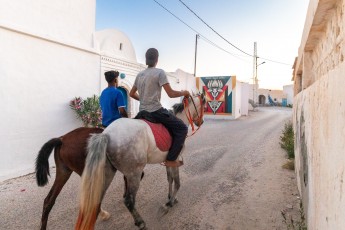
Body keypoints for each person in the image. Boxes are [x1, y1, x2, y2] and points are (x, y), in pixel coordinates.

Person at [129, 48, 190, 167]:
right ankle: (171, 159)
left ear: (146, 59)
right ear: (157, 60)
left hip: (142, 112)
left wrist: (143, 99)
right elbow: (171, 94)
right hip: (155, 111)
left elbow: (131, 93)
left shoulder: (140, 75)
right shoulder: (160, 72)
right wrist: (184, 93)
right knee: (182, 128)